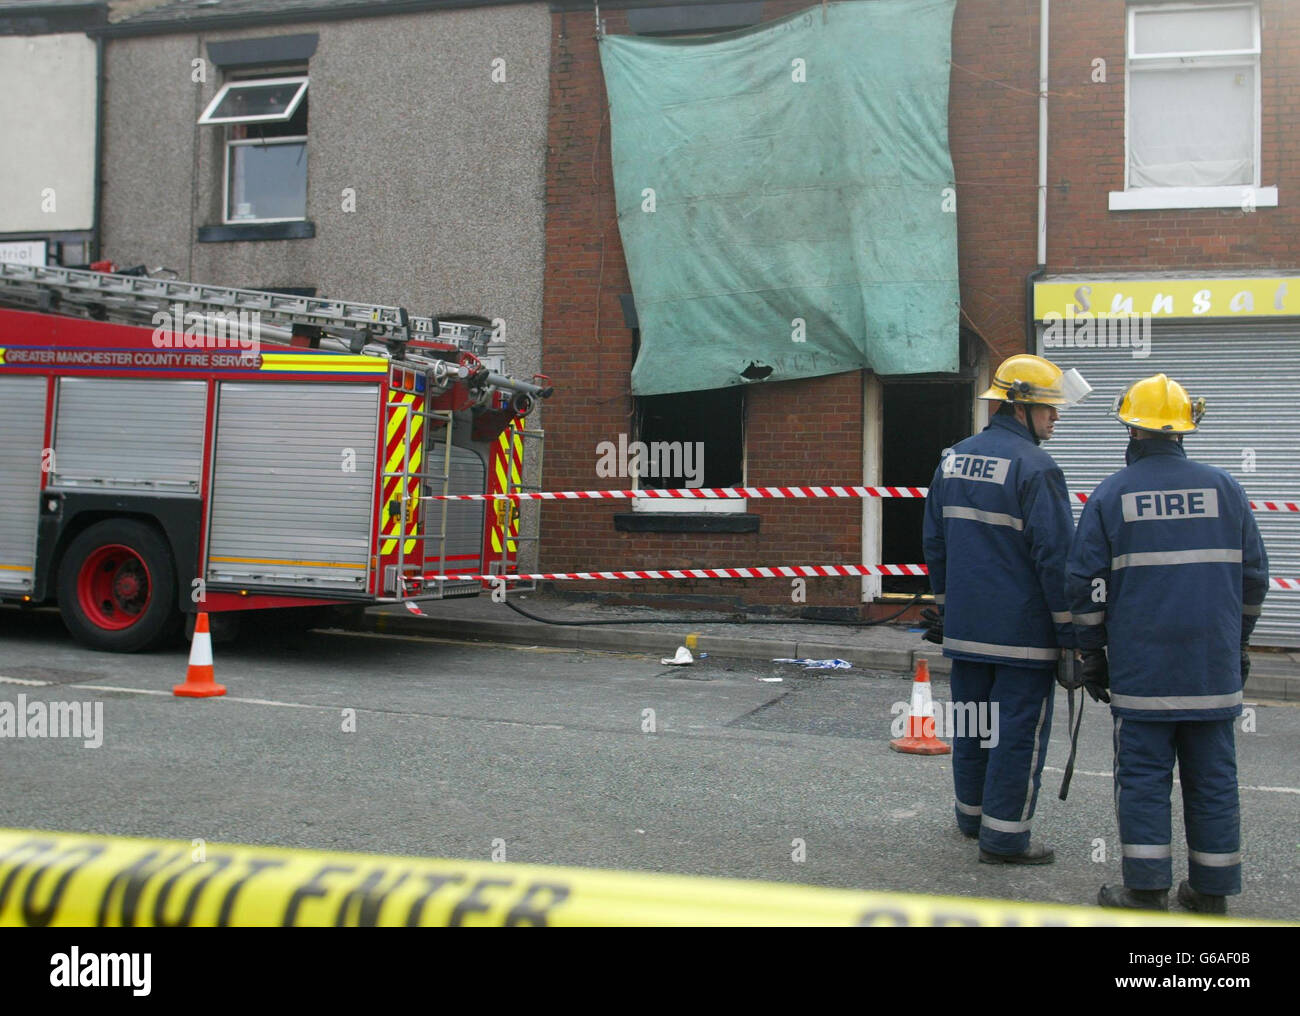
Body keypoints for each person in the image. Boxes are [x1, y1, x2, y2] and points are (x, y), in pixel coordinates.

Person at [1066, 374, 1268, 913]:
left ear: (1130, 429)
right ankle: (1212, 891)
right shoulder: (1226, 488)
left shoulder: (1111, 494)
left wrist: (1093, 653)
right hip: (1211, 665)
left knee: (1142, 778)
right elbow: (1254, 578)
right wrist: (1238, 643)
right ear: (1184, 429)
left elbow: (1087, 585)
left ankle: (1146, 888)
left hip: (1143, 668)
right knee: (1213, 779)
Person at [922, 353, 1091, 864]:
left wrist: (949, 608)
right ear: (1020, 409)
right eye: (1049, 410)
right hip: (1022, 636)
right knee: (1016, 732)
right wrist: (1070, 634)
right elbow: (1056, 557)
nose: (1056, 418)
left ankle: (971, 819)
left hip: (967, 630)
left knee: (974, 724)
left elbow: (935, 541)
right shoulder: (1038, 467)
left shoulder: (953, 458)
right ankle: (1005, 838)